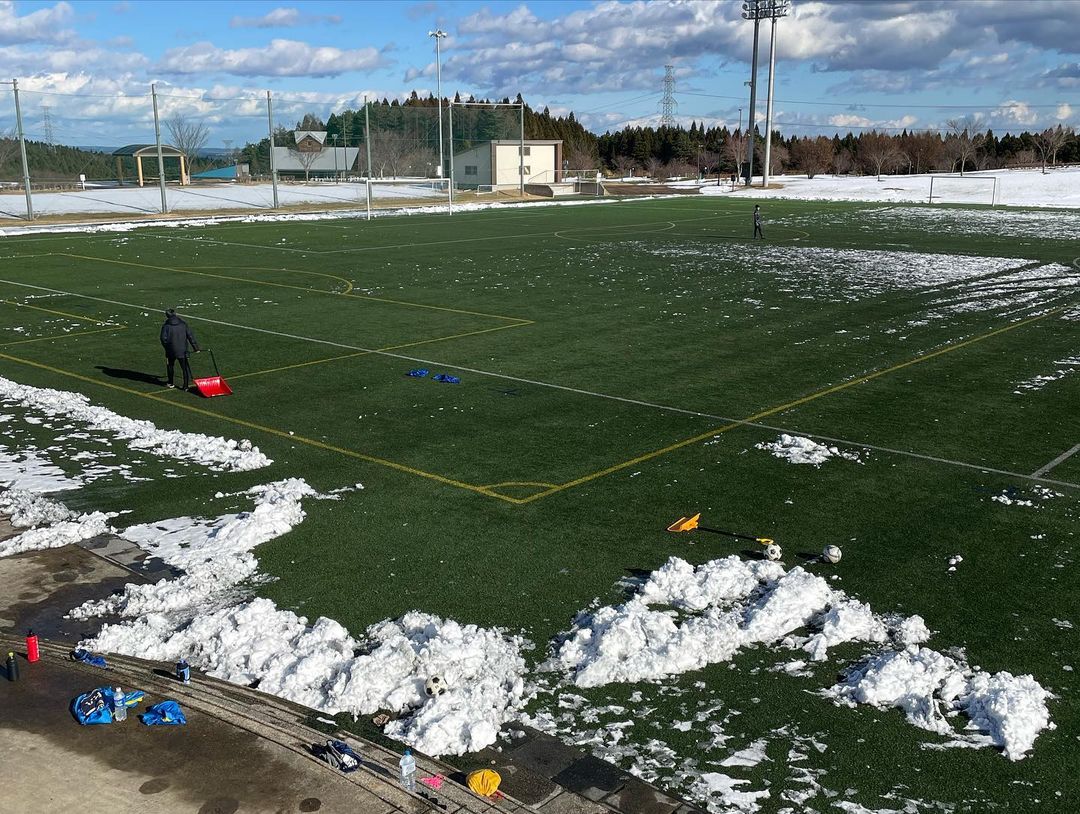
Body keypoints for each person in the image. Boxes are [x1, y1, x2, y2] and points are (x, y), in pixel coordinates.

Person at [160, 309, 200, 390]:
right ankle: (185, 386)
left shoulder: (166, 326)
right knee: (185, 368)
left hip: (171, 350)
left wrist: (167, 348)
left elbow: (163, 339)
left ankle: (171, 383)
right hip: (183, 350)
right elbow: (190, 336)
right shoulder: (183, 324)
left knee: (170, 366)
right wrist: (196, 348)